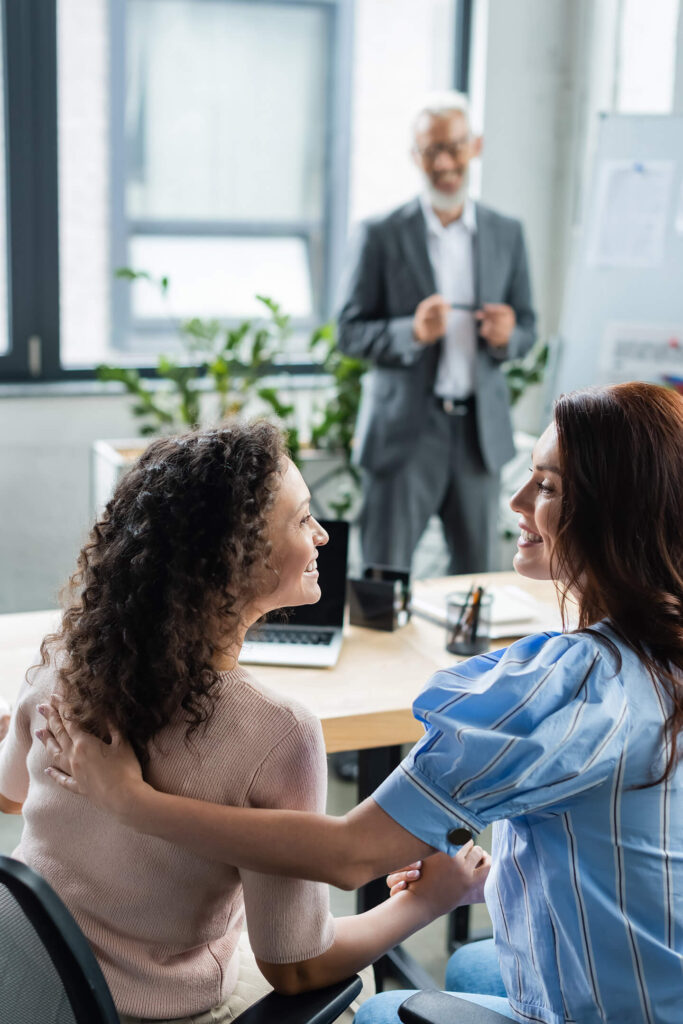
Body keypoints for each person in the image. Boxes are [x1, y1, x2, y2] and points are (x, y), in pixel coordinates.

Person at [34, 383, 683, 1022]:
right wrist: (487, 880)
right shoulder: (654, 655)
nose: (511, 499)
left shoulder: (62, 662)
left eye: (544, 486)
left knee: (389, 1009)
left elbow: (349, 856)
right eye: (303, 517)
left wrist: (132, 803)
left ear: (611, 516)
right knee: (464, 968)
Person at [0, 421, 490, 1024]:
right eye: (302, 518)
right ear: (233, 559)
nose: (321, 536)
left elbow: (9, 796)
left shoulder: (66, 657)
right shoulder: (277, 732)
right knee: (353, 986)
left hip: (26, 978)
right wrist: (431, 901)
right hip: (156, 1010)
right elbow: (297, 968)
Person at [336, 90, 536, 575]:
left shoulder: (506, 232)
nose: (445, 162)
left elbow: (528, 328)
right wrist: (412, 331)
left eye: (454, 147)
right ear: (415, 157)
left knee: (475, 585)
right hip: (404, 432)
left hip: (477, 436)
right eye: (431, 151)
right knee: (383, 579)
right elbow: (348, 332)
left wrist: (508, 334)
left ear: (475, 146)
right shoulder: (380, 233)